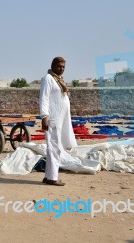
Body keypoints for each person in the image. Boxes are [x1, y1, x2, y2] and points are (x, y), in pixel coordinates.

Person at [39, 56, 78, 186]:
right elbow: (43, 98)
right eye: (59, 67)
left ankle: (49, 175)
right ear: (53, 66)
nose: (61, 69)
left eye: (63, 67)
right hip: (53, 119)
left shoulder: (59, 80)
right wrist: (44, 116)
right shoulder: (48, 79)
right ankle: (52, 178)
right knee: (54, 147)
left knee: (56, 147)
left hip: (61, 120)